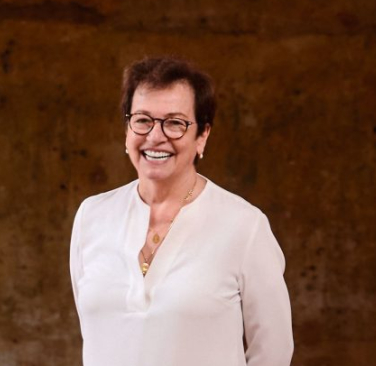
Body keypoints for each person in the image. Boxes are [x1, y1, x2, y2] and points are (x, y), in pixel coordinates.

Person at [70, 56, 293, 366]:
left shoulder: (244, 225)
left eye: (175, 123)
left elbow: (274, 351)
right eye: (142, 120)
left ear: (202, 135)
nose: (155, 136)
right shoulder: (92, 216)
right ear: (127, 130)